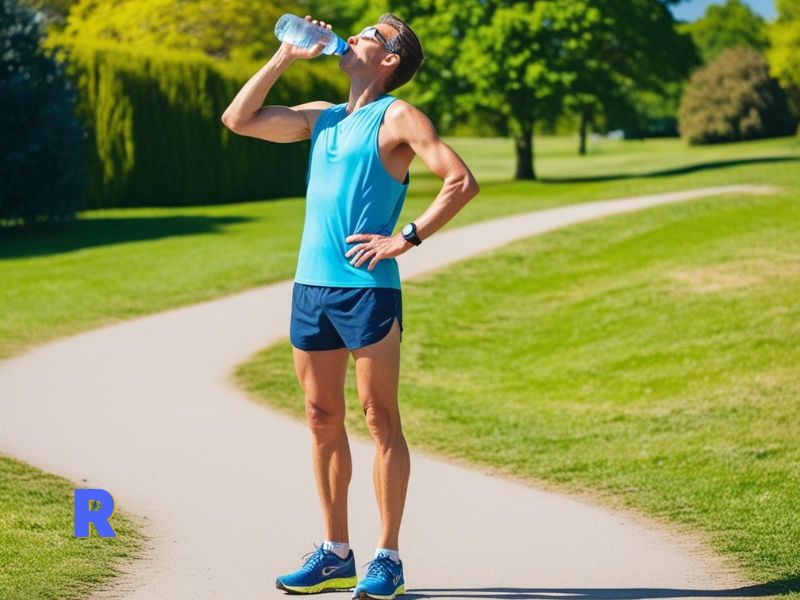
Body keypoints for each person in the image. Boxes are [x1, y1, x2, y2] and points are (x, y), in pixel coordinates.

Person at [221, 12, 479, 600]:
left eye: (368, 35)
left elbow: (459, 181)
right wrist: (285, 56)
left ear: (389, 60)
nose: (353, 37)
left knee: (379, 417)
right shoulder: (324, 117)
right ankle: (336, 553)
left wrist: (404, 238)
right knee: (320, 417)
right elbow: (238, 120)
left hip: (368, 289)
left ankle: (388, 557)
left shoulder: (399, 117)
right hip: (310, 288)